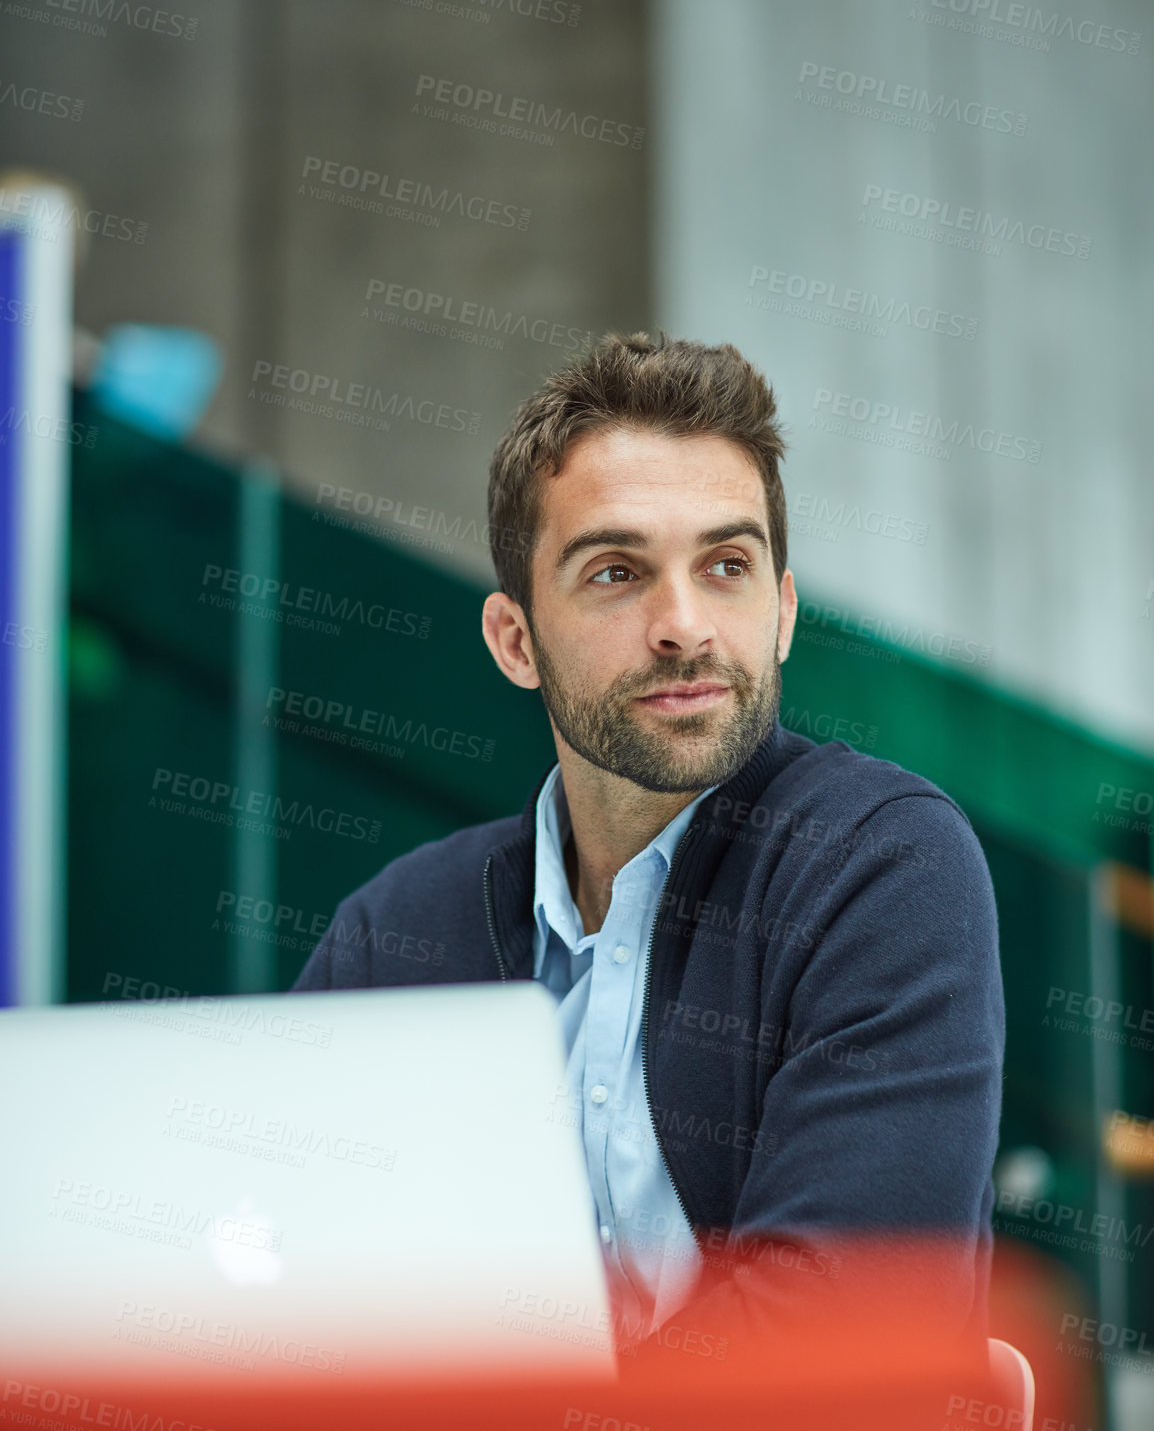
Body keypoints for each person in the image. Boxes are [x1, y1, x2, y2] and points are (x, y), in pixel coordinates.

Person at [293, 332, 1004, 1347]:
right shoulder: (396, 931)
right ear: (513, 640)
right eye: (616, 572)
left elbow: (834, 1344)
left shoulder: (881, 869)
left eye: (725, 565)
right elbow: (285, 1299)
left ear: (783, 612)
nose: (683, 624)